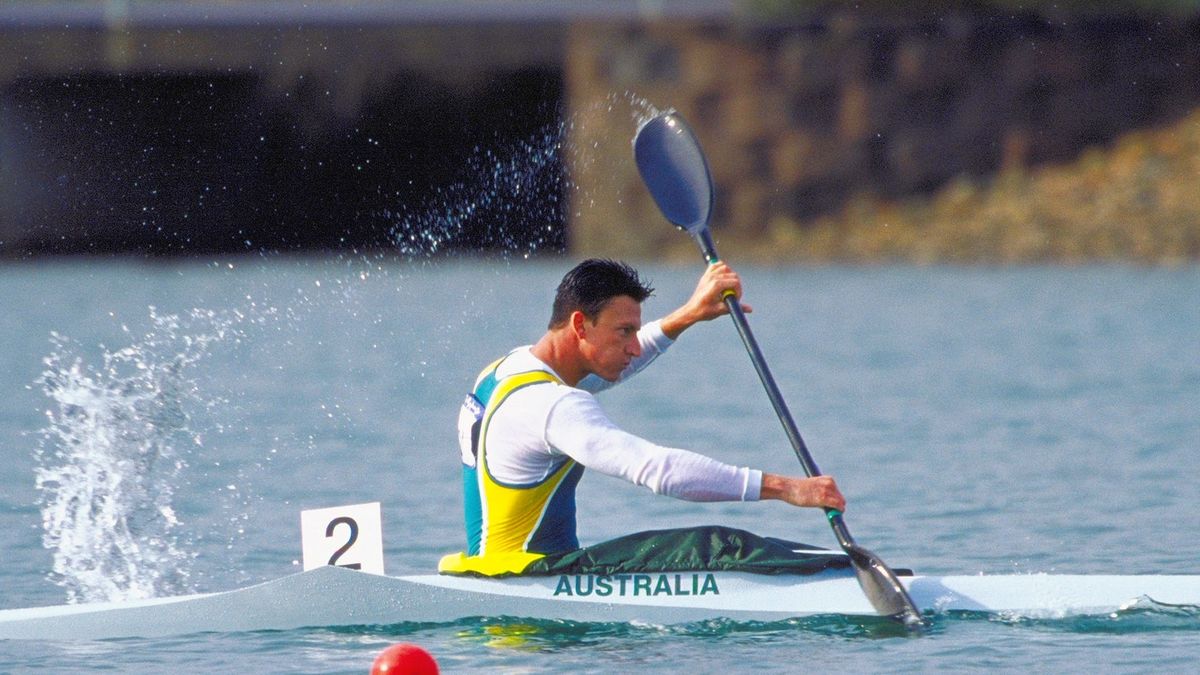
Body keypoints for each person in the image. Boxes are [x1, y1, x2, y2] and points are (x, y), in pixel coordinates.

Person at [445, 259, 845, 575]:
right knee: (717, 546)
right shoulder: (556, 406)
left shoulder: (505, 371)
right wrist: (787, 488)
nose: (634, 348)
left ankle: (832, 569)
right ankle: (840, 580)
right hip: (532, 579)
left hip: (492, 571)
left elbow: (611, 369)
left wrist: (688, 315)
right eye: (624, 332)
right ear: (580, 325)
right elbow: (658, 470)